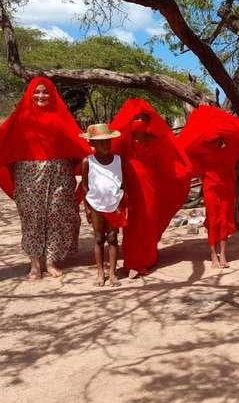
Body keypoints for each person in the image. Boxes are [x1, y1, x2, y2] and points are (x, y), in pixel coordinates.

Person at [0, 77, 90, 279]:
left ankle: (51, 260)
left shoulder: (61, 117)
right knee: (32, 217)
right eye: (37, 92)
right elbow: (3, 138)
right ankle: (34, 263)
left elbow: (77, 141)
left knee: (57, 216)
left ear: (52, 94)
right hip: (28, 177)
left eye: (45, 92)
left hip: (60, 175)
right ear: (30, 94)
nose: (41, 96)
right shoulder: (20, 118)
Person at [110, 99, 191, 277]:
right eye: (136, 117)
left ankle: (147, 259)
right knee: (132, 225)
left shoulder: (156, 140)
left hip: (151, 187)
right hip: (131, 188)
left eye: (143, 117)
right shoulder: (123, 141)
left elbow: (168, 161)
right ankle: (132, 263)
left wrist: (181, 173)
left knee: (149, 221)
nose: (139, 121)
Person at [177, 105, 239, 268]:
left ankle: (223, 254)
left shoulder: (232, 146)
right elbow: (182, 153)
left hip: (227, 188)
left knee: (224, 220)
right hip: (210, 189)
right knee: (213, 220)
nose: (214, 141)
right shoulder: (201, 149)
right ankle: (213, 254)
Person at [80, 123, 126, 287]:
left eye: (108, 141)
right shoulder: (87, 162)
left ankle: (113, 272)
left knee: (113, 238)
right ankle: (100, 272)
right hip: (96, 205)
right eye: (101, 142)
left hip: (114, 205)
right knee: (99, 238)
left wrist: (122, 205)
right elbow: (85, 186)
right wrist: (87, 209)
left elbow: (123, 184)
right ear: (92, 144)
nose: (105, 145)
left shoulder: (119, 160)